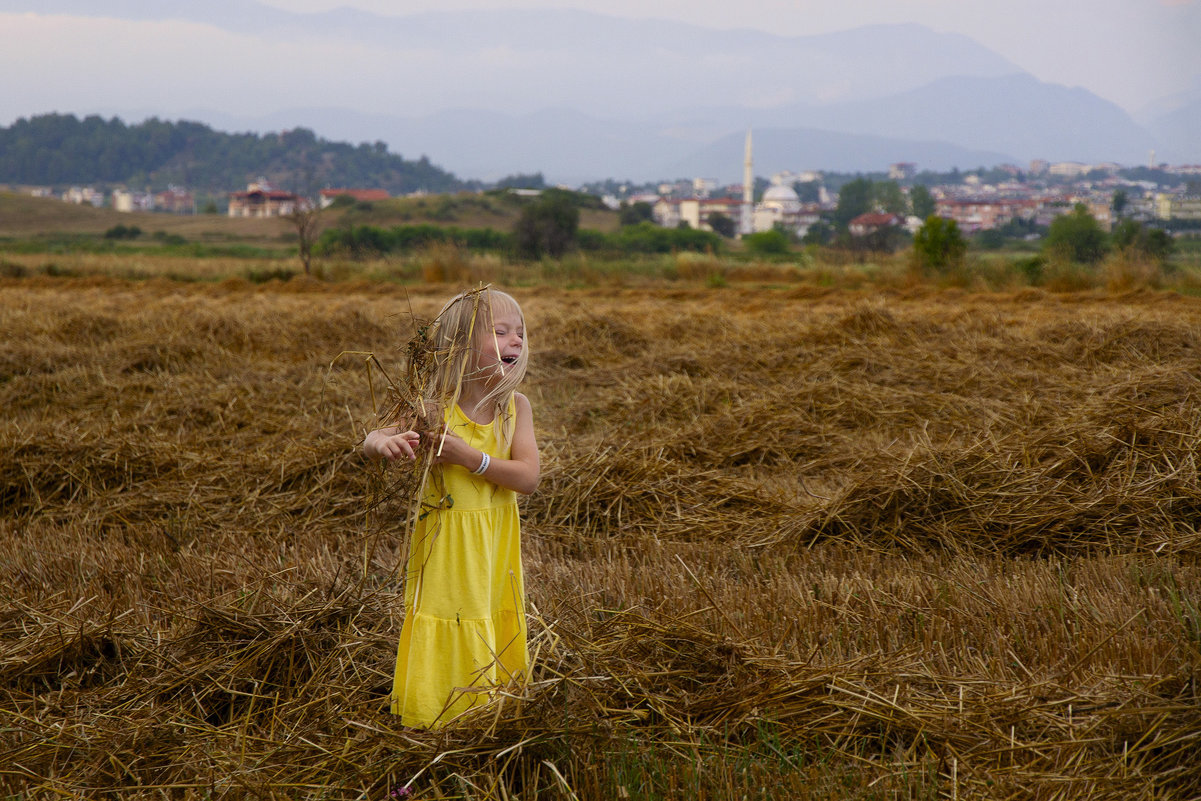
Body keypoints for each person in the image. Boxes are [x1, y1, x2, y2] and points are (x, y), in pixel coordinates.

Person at [363, 288, 540, 729]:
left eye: (520, 333)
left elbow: (528, 478)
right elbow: (371, 438)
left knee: (488, 610)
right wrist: (384, 442)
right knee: (450, 611)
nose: (515, 340)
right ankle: (437, 717)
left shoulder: (514, 408)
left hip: (494, 538)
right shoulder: (434, 406)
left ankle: (489, 713)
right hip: (445, 539)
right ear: (460, 343)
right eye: (500, 332)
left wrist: (471, 459)